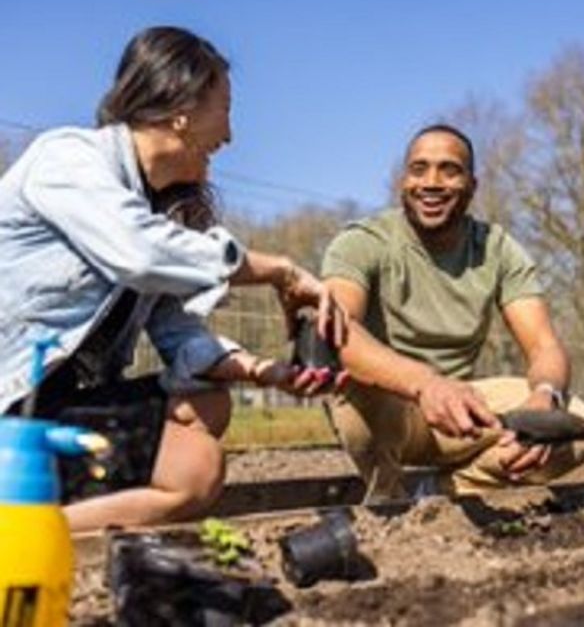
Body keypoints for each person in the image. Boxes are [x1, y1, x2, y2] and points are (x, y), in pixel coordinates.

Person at [0, 26, 347, 532]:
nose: (228, 136)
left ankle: (33, 525)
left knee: (205, 411)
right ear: (181, 111)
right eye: (224, 109)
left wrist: (268, 372)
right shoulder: (68, 160)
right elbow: (137, 253)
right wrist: (279, 269)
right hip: (12, 403)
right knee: (195, 456)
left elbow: (180, 335)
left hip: (59, 410)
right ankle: (22, 530)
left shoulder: (157, 217)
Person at [321, 123, 584, 501]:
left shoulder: (498, 250)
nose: (431, 182)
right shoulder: (362, 242)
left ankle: (441, 490)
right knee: (354, 382)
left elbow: (543, 345)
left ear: (472, 184)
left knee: (576, 424)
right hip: (391, 409)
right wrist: (426, 383)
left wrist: (545, 397)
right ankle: (387, 496)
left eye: (449, 170)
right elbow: (341, 334)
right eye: (418, 169)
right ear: (403, 181)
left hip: (466, 410)